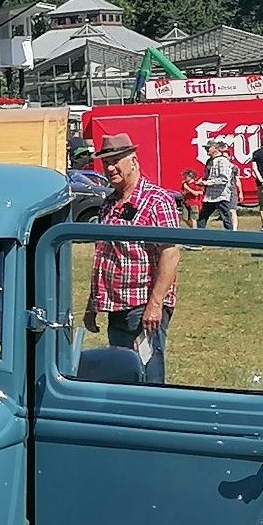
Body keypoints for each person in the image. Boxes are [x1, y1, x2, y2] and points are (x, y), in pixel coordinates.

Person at [85, 132, 182, 385]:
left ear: (134, 160)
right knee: (123, 373)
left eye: (116, 160)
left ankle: (153, 422)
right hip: (115, 306)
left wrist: (156, 303)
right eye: (106, 162)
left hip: (143, 305)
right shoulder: (109, 202)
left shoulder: (157, 200)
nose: (110, 167)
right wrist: (92, 303)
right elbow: (104, 255)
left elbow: (170, 253)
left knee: (148, 376)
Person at [196, 139, 238, 230]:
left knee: (226, 218)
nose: (206, 150)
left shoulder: (223, 161)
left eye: (208, 148)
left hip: (221, 195)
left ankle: (231, 238)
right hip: (210, 196)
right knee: (202, 218)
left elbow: (224, 179)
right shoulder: (209, 161)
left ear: (215, 148)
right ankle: (199, 240)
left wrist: (207, 182)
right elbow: (208, 176)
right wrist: (202, 181)